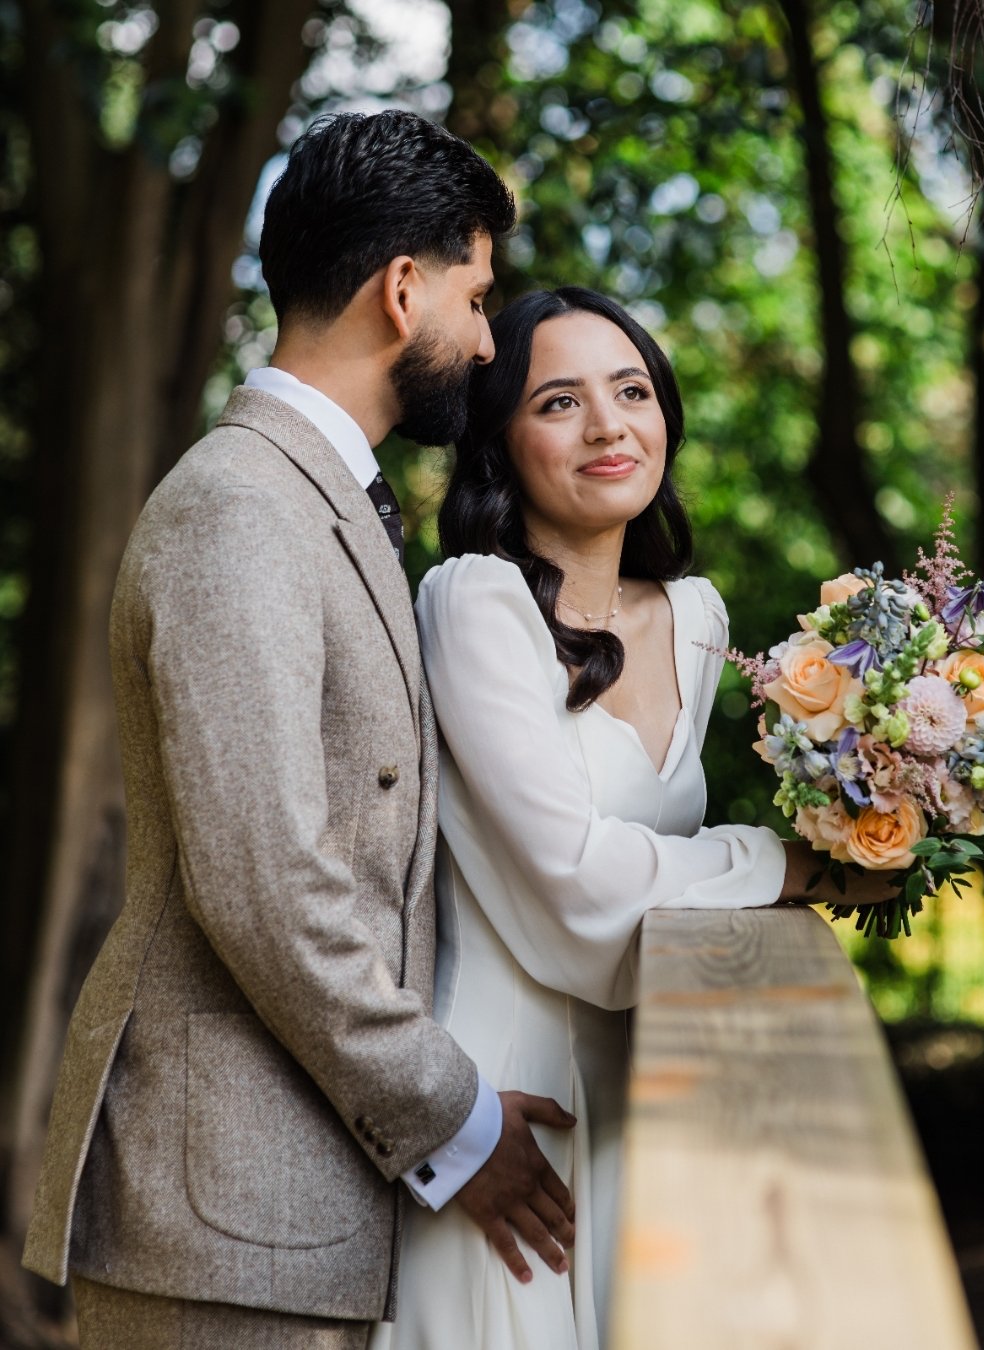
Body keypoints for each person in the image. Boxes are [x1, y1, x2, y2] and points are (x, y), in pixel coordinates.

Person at [21, 111, 577, 1349]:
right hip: (226, 1224)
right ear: (401, 289)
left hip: (286, 1210)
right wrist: (452, 1118)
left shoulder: (309, 496)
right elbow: (268, 877)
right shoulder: (241, 508)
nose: (488, 342)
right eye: (476, 298)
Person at [372, 286, 893, 1350]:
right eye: (558, 401)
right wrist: (793, 863)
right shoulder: (474, 603)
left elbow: (652, 880)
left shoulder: (697, 620)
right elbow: (574, 889)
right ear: (500, 441)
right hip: (510, 1112)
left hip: (647, 1092)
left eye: (633, 390)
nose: (609, 425)